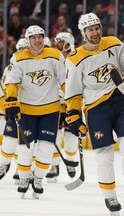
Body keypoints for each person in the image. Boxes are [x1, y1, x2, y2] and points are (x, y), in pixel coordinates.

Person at [64, 13, 124, 216]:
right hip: (96, 108)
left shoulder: (113, 43)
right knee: (105, 153)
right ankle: (110, 197)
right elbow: (73, 93)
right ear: (83, 33)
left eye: (97, 28)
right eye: (90, 30)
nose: (95, 32)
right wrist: (74, 115)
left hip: (121, 100)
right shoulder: (75, 59)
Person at [3, 25, 66, 199]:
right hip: (27, 110)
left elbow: (64, 81)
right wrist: (10, 99)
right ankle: (24, 178)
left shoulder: (55, 55)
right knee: (25, 148)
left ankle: (38, 179)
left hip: (51, 110)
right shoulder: (18, 58)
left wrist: (70, 103)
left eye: (40, 37)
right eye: (33, 38)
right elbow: (12, 83)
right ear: (28, 40)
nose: (37, 40)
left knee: (46, 148)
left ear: (44, 39)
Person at [0, 38, 29, 185]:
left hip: (32, 112)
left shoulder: (38, 66)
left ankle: (23, 170)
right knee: (9, 141)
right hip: (15, 112)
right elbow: (1, 96)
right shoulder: (10, 69)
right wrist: (7, 111)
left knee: (26, 145)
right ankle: (4, 164)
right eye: (19, 50)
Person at [45, 32, 78, 182]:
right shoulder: (52, 59)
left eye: (60, 42)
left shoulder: (76, 59)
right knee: (55, 137)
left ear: (67, 44)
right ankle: (54, 165)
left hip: (71, 105)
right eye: (56, 41)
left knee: (71, 138)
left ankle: (70, 163)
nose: (57, 44)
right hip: (55, 106)